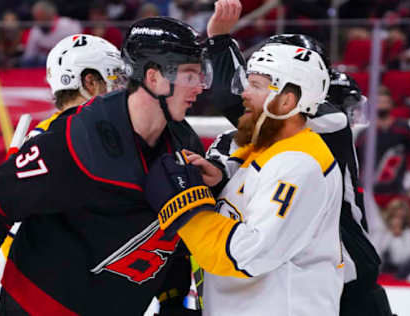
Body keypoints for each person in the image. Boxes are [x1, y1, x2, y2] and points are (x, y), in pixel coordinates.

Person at [0, 1, 246, 310]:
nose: (201, 88)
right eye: (191, 75)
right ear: (154, 78)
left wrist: (172, 299)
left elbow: (171, 238)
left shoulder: (184, 141)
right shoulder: (78, 138)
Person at [145, 40, 345, 316]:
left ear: (287, 100)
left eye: (256, 85)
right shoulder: (269, 149)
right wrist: (218, 182)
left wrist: (187, 212)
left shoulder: (299, 164)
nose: (244, 94)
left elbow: (249, 254)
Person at [206, 34, 395, 316]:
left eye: (256, 84)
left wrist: (220, 44)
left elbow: (232, 101)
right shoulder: (240, 139)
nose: (247, 94)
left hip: (344, 268)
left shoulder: (329, 124)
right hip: (297, 274)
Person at [0, 33, 127, 316]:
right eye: (114, 78)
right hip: (33, 290)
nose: (122, 90)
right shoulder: (75, 139)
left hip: (29, 283)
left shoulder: (57, 133)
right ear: (90, 82)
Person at [356, 85, 410, 209]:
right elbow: (356, 163)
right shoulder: (364, 134)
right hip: (369, 193)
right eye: (378, 102)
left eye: (385, 102)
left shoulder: (402, 129)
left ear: (391, 104)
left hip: (396, 192)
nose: (382, 105)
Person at [20, 1, 82, 67]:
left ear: (51, 15)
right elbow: (29, 54)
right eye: (37, 18)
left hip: (65, 59)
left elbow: (78, 47)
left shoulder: (67, 25)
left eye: (42, 17)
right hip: (43, 60)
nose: (39, 22)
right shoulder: (35, 30)